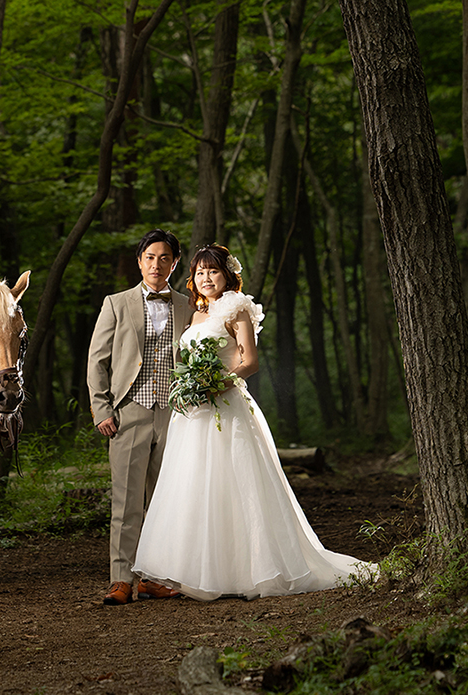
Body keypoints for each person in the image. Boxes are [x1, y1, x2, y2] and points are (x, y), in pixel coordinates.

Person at [133, 243, 378, 601]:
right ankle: (198, 570)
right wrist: (191, 388)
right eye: (200, 272)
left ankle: (248, 569)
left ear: (227, 275)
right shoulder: (195, 315)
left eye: (213, 271)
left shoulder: (237, 307)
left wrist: (215, 384)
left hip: (226, 405)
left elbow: (249, 361)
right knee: (195, 486)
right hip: (193, 414)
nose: (206, 278)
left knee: (236, 484)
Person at [87, 229, 193, 605]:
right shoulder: (116, 303)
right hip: (128, 412)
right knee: (126, 501)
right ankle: (121, 579)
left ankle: (156, 578)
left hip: (175, 415)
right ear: (139, 261)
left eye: (165, 258)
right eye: (150, 256)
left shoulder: (187, 306)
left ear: (175, 263)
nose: (156, 264)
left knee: (167, 501)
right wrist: (102, 408)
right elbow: (97, 360)